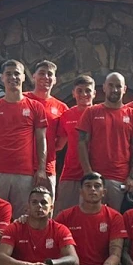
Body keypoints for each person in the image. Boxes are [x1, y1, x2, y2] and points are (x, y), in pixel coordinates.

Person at [0, 60, 49, 218]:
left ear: (23, 77)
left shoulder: (35, 107)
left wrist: (41, 169)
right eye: (9, 73)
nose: (13, 77)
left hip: (24, 173)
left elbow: (41, 140)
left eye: (16, 73)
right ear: (2, 78)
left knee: (22, 218)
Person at [77, 72, 133, 205]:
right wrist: (88, 173)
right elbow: (82, 143)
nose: (114, 90)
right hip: (94, 180)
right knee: (89, 219)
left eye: (118, 86)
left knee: (117, 221)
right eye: (111, 85)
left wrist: (132, 176)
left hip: (120, 179)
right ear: (104, 87)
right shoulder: (91, 112)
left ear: (124, 89)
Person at [52, 75, 97, 213]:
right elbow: (59, 145)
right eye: (80, 90)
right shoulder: (66, 115)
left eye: (88, 91)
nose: (84, 94)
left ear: (94, 93)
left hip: (96, 173)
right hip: (70, 173)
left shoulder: (101, 113)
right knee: (63, 214)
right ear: (73, 93)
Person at [25, 60, 69, 194]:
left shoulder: (61, 108)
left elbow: (61, 143)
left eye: (50, 74)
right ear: (34, 76)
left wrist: (47, 149)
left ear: (55, 80)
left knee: (45, 209)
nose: (46, 77)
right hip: (21, 166)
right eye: (42, 73)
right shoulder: (23, 99)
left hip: (47, 169)